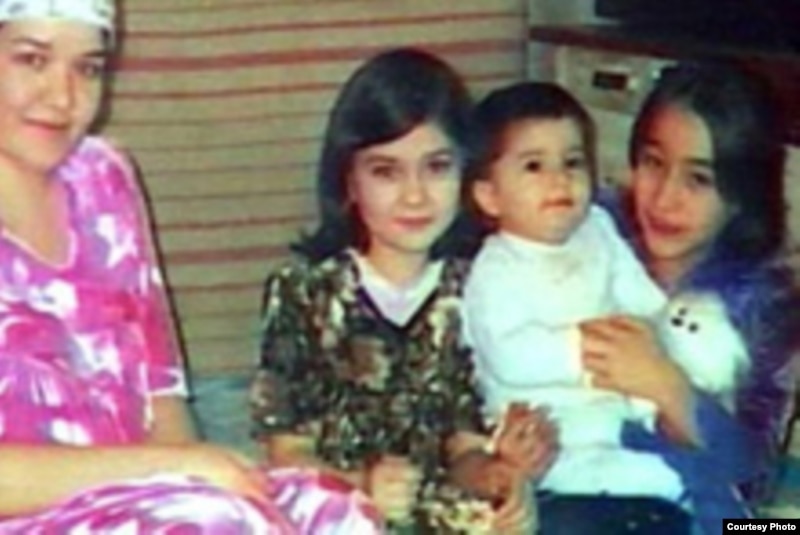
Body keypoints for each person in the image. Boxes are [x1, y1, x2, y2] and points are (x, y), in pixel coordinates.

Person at [0, 1, 377, 532]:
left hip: (144, 501)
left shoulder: (103, 175)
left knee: (332, 507)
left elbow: (162, 394)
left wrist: (193, 476)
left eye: (88, 68)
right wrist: (176, 472)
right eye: (32, 60)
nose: (63, 97)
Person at [249, 47, 558, 533]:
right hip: (333, 515)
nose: (415, 195)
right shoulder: (304, 293)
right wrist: (359, 485)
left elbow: (464, 448)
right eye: (386, 172)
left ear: (468, 173)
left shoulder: (479, 288)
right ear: (348, 182)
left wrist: (498, 476)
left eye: (437, 167)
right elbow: (286, 454)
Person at [462, 80, 717, 534]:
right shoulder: (496, 267)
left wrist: (659, 331)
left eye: (573, 162)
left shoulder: (597, 227)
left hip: (619, 407)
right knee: (583, 489)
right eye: (534, 166)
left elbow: (635, 289)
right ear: (490, 196)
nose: (559, 179)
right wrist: (589, 349)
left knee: (673, 478)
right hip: (552, 430)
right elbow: (508, 353)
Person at [574, 63, 800, 534]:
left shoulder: (762, 306)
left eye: (698, 179)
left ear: (741, 194)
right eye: (654, 164)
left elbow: (754, 475)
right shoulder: (590, 243)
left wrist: (667, 387)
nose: (664, 198)